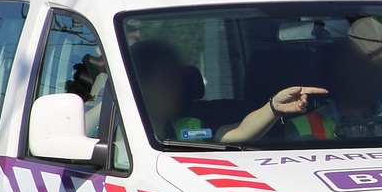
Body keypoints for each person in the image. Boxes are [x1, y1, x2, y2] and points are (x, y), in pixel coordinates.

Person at [130, 40, 324, 144]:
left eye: (177, 79)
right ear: (139, 86)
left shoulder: (191, 126)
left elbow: (239, 133)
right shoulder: (118, 134)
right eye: (166, 79)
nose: (178, 87)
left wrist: (274, 107)